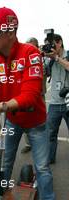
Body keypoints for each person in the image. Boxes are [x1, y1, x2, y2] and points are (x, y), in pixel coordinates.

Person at [0, 7, 57, 200]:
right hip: (12, 121)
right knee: (5, 160)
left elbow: (31, 94)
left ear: (11, 32)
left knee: (42, 166)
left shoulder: (31, 52)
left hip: (36, 121)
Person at [44, 34, 69, 164]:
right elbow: (43, 72)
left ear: (59, 43)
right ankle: (50, 158)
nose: (51, 47)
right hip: (54, 103)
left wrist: (57, 58)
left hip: (68, 102)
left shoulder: (67, 54)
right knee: (50, 134)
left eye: (52, 44)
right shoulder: (49, 59)